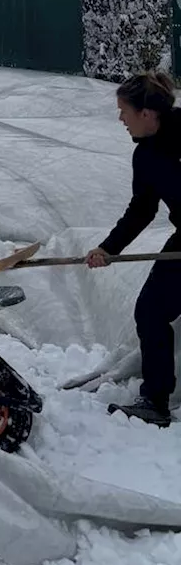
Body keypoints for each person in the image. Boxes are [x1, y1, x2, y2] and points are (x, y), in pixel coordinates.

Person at [86, 71, 181, 425]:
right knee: (151, 311)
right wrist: (109, 248)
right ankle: (155, 401)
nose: (120, 119)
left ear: (147, 113)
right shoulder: (146, 156)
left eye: (124, 111)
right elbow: (143, 208)